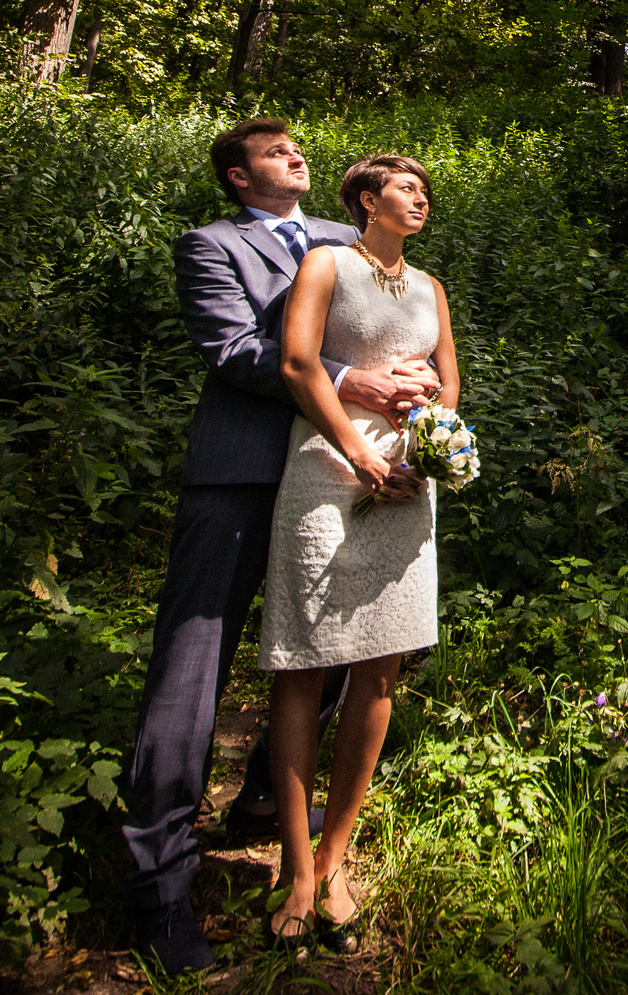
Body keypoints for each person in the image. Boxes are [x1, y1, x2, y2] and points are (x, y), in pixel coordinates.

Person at [124, 120, 438, 975]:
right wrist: (345, 379)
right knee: (193, 670)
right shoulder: (211, 247)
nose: (296, 155)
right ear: (237, 176)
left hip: (340, 472)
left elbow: (396, 324)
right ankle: (158, 885)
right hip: (239, 470)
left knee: (330, 654)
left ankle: (268, 796)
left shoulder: (350, 239)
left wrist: (417, 399)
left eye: (298, 147)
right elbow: (233, 348)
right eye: (273, 151)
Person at [263, 153, 457, 948]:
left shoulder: (433, 287)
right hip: (326, 466)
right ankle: (297, 866)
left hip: (408, 479)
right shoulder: (325, 262)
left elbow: (449, 384)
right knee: (304, 660)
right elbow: (298, 362)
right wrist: (360, 452)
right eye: (407, 187)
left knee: (381, 663)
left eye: (426, 192)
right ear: (368, 198)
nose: (421, 198)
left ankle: (338, 855)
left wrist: (420, 451)